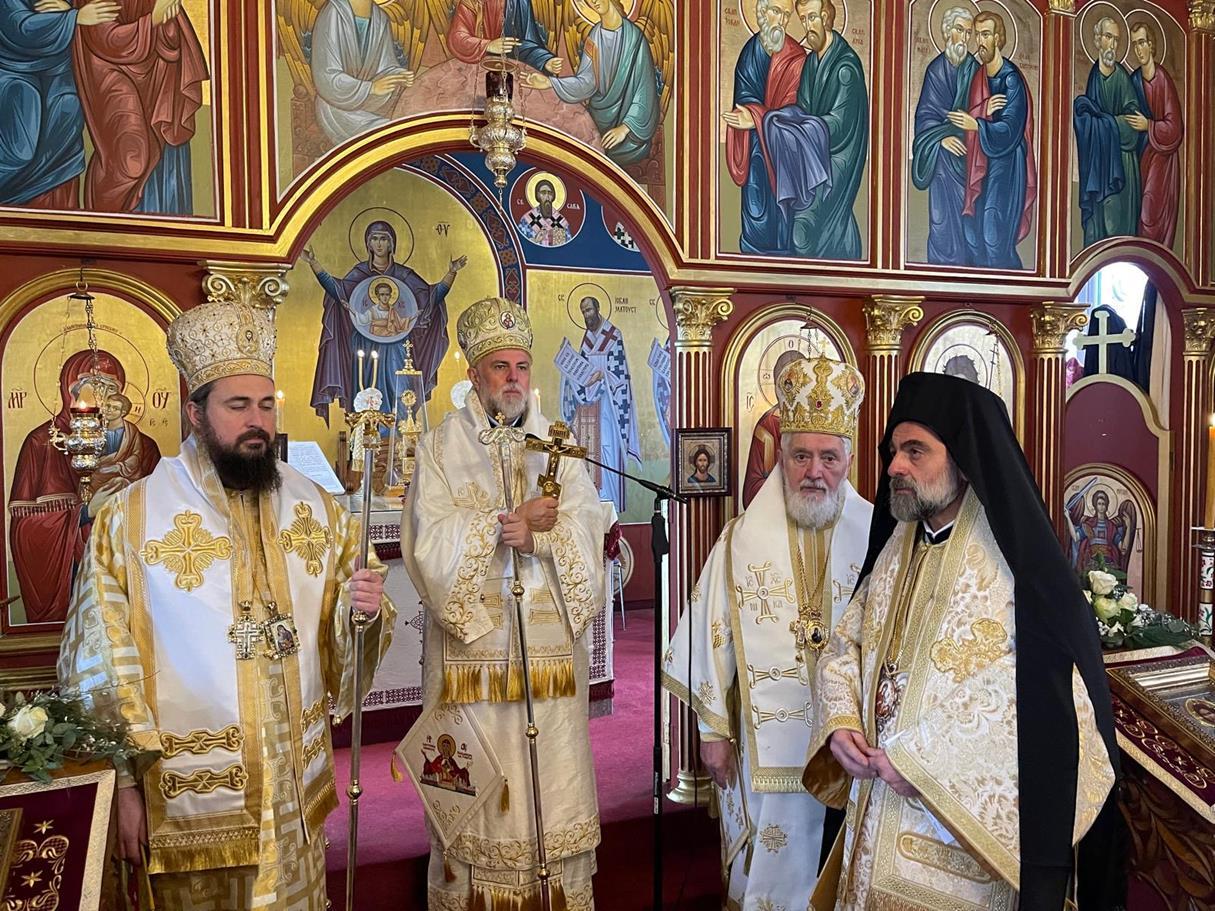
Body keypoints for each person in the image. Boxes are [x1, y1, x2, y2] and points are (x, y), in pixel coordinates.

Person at [58, 299, 396, 909]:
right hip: (186, 805)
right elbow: (100, 667)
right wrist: (125, 788)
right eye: (237, 406)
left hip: (293, 800)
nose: (257, 422)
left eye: (266, 404)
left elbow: (356, 618)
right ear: (196, 412)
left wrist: (364, 613)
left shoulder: (318, 506)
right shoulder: (131, 518)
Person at [803, 372, 1123, 910]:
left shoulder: (1015, 566)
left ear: (965, 461)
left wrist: (924, 760)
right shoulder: (895, 547)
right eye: (893, 452)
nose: (894, 467)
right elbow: (846, 645)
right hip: (872, 819)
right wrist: (840, 721)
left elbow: (1051, 702)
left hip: (957, 852)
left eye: (915, 452)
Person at [404, 296, 607, 910]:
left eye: (521, 366)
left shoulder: (558, 444)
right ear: (474, 373)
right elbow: (426, 541)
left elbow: (586, 526)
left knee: (554, 792)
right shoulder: (440, 447)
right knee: (478, 800)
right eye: (500, 367)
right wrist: (499, 525)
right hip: (474, 667)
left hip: (549, 665)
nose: (514, 378)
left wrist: (541, 539)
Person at [663, 354, 872, 910]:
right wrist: (710, 732)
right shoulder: (739, 539)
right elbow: (709, 636)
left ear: (848, 460)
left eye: (829, 457)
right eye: (801, 455)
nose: (814, 471)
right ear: (781, 456)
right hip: (764, 751)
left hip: (852, 747)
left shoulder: (880, 538)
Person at [8, 350, 128, 623]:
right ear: (69, 391)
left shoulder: (137, 445)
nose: (101, 397)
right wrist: (85, 512)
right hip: (72, 575)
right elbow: (23, 529)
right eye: (93, 386)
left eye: (110, 388)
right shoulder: (41, 443)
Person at [303, 222, 467, 421]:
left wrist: (451, 272)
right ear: (368, 244)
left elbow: (431, 298)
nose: (379, 244)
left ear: (391, 244)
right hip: (364, 346)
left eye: (383, 239)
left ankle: (401, 429)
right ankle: (367, 429)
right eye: (374, 239)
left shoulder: (405, 276)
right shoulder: (358, 274)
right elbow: (337, 291)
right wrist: (314, 264)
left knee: (400, 389)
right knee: (367, 392)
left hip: (397, 346)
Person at [72, 0, 210, 213]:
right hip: (108, 69)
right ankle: (106, 221)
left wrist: (165, 20)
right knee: (130, 155)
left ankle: (153, 216)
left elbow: (171, 39)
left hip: (153, 70)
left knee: (156, 142)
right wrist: (152, 20)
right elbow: (105, 38)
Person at [765, 0, 868, 260]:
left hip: (837, 160)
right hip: (814, 152)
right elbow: (804, 108)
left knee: (803, 230)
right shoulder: (812, 62)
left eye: (812, 18)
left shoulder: (846, 68)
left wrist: (803, 127)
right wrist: (783, 118)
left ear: (826, 17)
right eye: (803, 19)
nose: (807, 26)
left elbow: (840, 127)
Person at [0, 0, 120, 208]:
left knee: (65, 136)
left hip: (59, 72)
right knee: (20, 150)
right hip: (17, 74)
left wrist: (70, 13)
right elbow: (20, 27)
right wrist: (74, 18)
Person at [946, 10, 1036, 270]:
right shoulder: (979, 76)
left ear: (998, 38)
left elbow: (1011, 129)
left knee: (993, 232)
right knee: (974, 232)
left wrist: (976, 124)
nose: (980, 42)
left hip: (1007, 166)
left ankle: (1012, 287)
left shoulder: (1011, 79)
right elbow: (967, 113)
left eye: (985, 35)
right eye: (977, 35)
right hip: (983, 162)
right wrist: (981, 112)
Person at [524, 0, 660, 166]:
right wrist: (550, 83)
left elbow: (644, 92)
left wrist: (624, 128)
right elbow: (587, 82)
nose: (593, 2)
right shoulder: (595, 36)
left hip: (629, 130)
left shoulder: (635, 38)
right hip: (598, 119)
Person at [723, 0, 806, 255]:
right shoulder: (749, 52)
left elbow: (797, 111)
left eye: (786, 15)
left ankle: (783, 258)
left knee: (782, 212)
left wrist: (757, 118)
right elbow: (744, 95)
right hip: (754, 148)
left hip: (783, 150)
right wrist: (748, 114)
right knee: (755, 204)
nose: (781, 20)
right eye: (776, 12)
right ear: (761, 12)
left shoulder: (796, 56)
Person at [558, 295, 641, 511]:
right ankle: (596, 498)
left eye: (589, 310)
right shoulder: (587, 340)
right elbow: (581, 372)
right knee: (591, 446)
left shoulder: (613, 336)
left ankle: (611, 500)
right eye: (583, 312)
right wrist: (568, 366)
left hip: (610, 406)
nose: (587, 315)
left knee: (608, 447)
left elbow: (621, 375)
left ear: (598, 309)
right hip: (591, 408)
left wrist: (602, 377)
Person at [911, 7, 977, 266]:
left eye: (968, 33)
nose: (964, 38)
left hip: (969, 155)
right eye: (960, 30)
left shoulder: (975, 70)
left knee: (969, 218)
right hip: (941, 159)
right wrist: (940, 139)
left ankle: (969, 266)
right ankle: (942, 262)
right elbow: (925, 114)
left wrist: (972, 127)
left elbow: (982, 112)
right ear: (947, 32)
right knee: (941, 220)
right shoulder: (935, 70)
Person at [1074, 16, 1143, 244]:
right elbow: (1085, 121)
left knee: (1116, 228)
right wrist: (1096, 121)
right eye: (1108, 37)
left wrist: (1104, 123)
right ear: (1097, 40)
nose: (1112, 44)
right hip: (1099, 164)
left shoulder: (1122, 78)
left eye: (1116, 39)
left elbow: (1133, 124)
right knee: (1099, 231)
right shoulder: (1094, 76)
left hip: (1121, 167)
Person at [311, 0, 415, 146]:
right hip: (336, 104)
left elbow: (385, 64)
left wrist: (397, 75)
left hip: (370, 101)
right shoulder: (333, 13)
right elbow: (326, 76)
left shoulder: (380, 18)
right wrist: (370, 87)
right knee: (388, 133)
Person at [1128, 19, 1183, 247]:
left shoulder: (1163, 80)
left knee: (1151, 210)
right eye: (1134, 44)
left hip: (1162, 162)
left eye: (1142, 42)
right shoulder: (1133, 81)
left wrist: (1148, 126)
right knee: (1139, 212)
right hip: (1140, 158)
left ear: (1151, 45)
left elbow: (1175, 128)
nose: (1139, 49)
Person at [742, 348, 804, 506]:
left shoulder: (820, 422)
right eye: (788, 383)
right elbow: (751, 492)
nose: (793, 390)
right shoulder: (767, 427)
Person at [447, 0, 563, 75]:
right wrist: (488, 45)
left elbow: (526, 43)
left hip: (514, 71)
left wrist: (544, 60)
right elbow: (457, 37)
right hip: (476, 71)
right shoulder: (472, 2)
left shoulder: (520, 2)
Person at [92, 391, 162, 491]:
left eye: (115, 408)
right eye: (108, 406)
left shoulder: (131, 431)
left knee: (120, 482)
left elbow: (136, 455)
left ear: (123, 412)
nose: (109, 410)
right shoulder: (96, 428)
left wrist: (118, 467)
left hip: (122, 474)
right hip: (98, 473)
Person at [517, 179, 572, 246]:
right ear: (538, 195)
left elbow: (566, 247)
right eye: (543, 193)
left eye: (550, 193)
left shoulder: (560, 221)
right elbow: (520, 243)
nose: (547, 196)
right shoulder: (527, 219)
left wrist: (556, 237)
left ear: (553, 196)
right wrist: (535, 240)